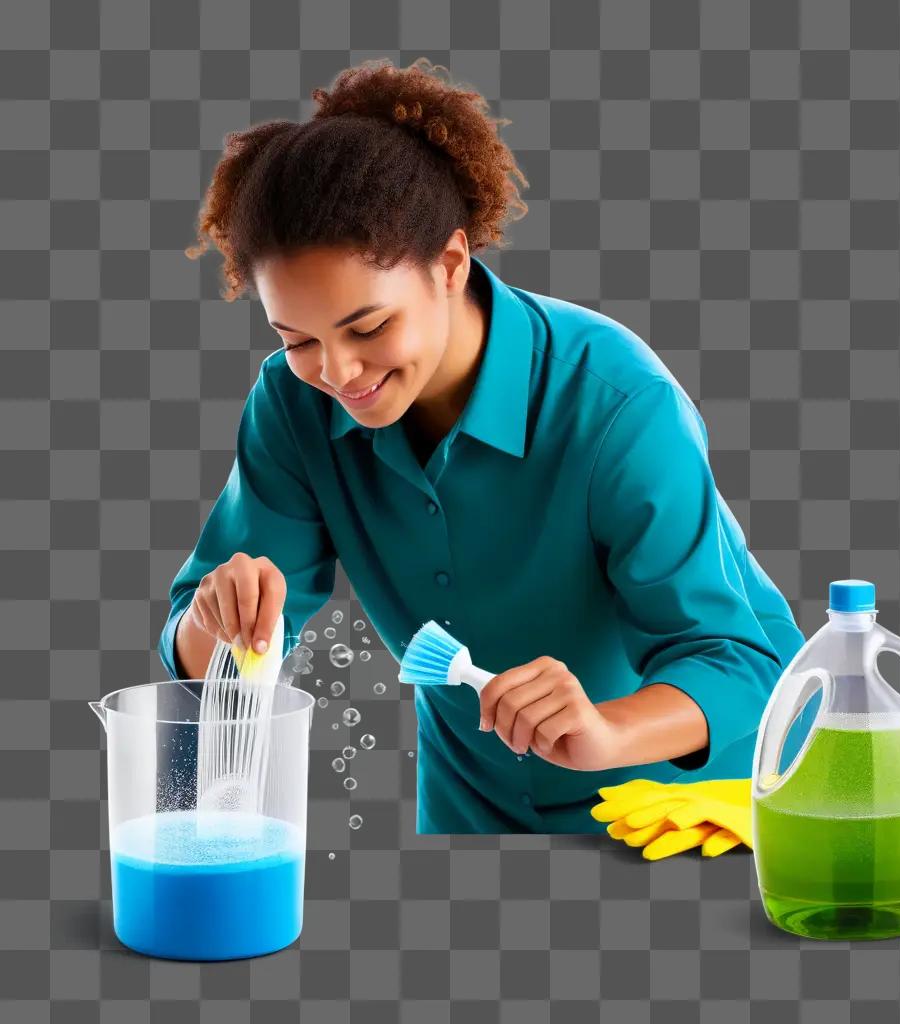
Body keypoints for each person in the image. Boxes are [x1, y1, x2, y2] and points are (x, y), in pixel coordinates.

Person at [158, 57, 807, 834]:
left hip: (670, 817)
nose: (337, 372)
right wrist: (215, 621)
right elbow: (215, 673)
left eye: (367, 327)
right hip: (472, 815)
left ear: (451, 263)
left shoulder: (617, 404)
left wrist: (605, 733)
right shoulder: (292, 407)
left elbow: (744, 664)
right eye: (297, 338)